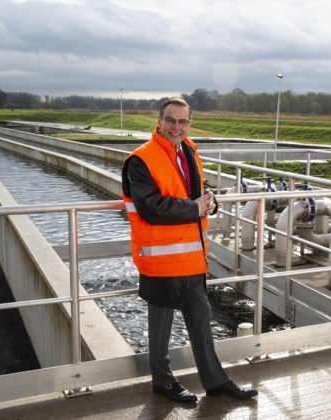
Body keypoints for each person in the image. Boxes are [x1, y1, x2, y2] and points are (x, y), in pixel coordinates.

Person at [122, 97, 258, 403]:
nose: (176, 127)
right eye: (171, 120)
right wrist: (193, 207)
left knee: (201, 320)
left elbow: (196, 191)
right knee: (161, 326)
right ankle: (162, 381)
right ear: (158, 120)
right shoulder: (141, 159)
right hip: (160, 259)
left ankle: (215, 380)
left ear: (189, 124)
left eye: (183, 122)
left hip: (192, 257)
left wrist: (209, 200)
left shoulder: (189, 151)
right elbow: (150, 207)